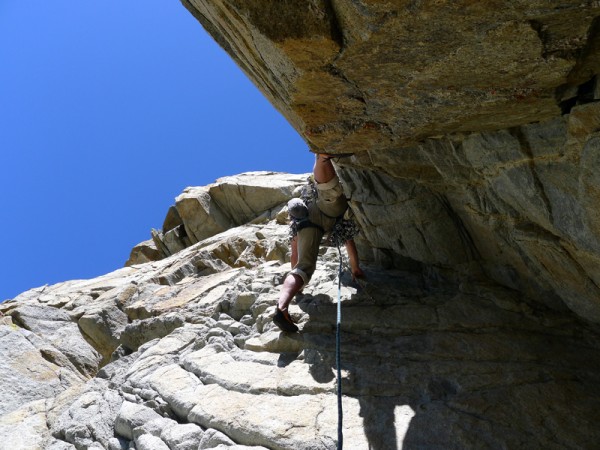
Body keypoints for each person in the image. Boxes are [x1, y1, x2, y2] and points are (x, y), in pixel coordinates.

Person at [273, 153, 364, 332]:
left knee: (303, 269)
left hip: (306, 219)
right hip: (327, 213)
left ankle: (281, 307)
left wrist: (298, 287)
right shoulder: (339, 227)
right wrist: (355, 269)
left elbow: (295, 257)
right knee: (330, 195)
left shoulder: (297, 227)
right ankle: (322, 157)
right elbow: (349, 242)